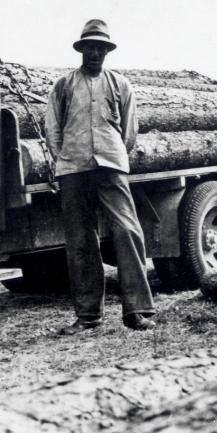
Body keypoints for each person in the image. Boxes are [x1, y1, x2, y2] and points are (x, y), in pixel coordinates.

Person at [45, 19, 156, 335]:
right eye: (90, 47)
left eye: (101, 48)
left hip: (110, 167)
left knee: (127, 231)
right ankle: (88, 316)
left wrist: (114, 153)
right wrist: (63, 158)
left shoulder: (120, 84)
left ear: (107, 51)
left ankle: (137, 311)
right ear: (82, 50)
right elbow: (52, 129)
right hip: (73, 169)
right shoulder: (64, 86)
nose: (95, 52)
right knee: (80, 239)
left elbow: (129, 132)